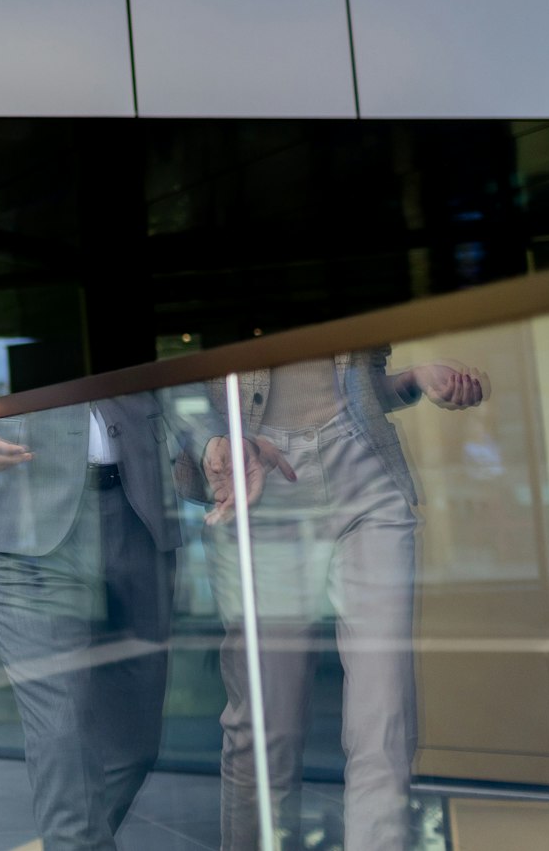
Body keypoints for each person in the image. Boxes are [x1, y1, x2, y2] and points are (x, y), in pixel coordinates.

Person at [202, 350, 485, 851]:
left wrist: (414, 380)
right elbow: (180, 386)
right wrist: (212, 441)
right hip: (262, 474)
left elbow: (355, 387)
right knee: (268, 725)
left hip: (363, 471)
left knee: (385, 714)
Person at [0, 393, 183, 850]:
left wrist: (209, 436)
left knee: (135, 746)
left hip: (139, 509)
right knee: (62, 734)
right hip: (24, 519)